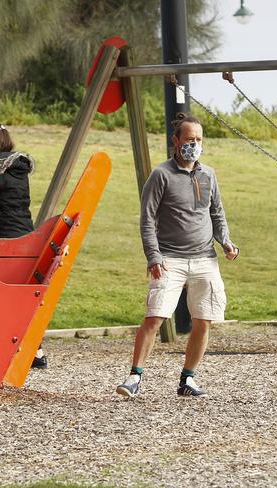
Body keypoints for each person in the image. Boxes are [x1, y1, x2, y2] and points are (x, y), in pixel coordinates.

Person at [116, 113, 239, 399]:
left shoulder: (208, 174)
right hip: (169, 258)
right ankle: (135, 376)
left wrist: (226, 242)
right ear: (175, 141)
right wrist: (153, 256)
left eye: (198, 140)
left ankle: (188, 379)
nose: (193, 145)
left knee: (204, 319)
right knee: (155, 316)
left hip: (204, 258)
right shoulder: (161, 175)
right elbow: (147, 219)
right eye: (188, 140)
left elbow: (216, 213)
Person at [0, 123, 47, 369]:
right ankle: (36, 349)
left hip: (2, 242)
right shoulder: (19, 171)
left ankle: (3, 347)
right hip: (26, 238)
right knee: (22, 294)